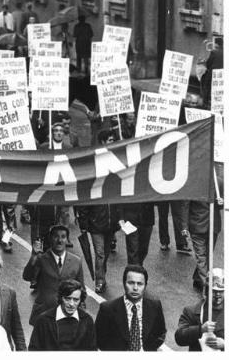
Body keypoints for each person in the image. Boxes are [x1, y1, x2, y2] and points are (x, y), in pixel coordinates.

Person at [76, 130, 121, 293]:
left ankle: (102, 274)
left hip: (110, 223)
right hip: (96, 223)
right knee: (100, 254)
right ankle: (100, 280)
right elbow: (86, 197)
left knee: (106, 254)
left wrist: (119, 217)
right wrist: (84, 221)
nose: (112, 142)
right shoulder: (93, 166)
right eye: (110, 140)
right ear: (102, 142)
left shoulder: (117, 163)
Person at [23, 225, 84, 325]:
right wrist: (33, 258)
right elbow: (27, 276)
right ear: (50, 239)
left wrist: (80, 312)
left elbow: (81, 289)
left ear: (67, 240)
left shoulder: (76, 261)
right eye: (56, 236)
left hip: (67, 314)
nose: (59, 240)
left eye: (63, 237)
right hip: (44, 313)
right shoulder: (41, 259)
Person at [95, 264, 166, 350]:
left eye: (140, 284)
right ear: (124, 283)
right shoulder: (107, 309)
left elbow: (161, 333)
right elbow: (99, 339)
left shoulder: (155, 306)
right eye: (131, 283)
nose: (135, 288)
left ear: (145, 286)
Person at [29, 279, 96, 350]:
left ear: (80, 300)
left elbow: (92, 350)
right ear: (61, 298)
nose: (71, 304)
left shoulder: (87, 320)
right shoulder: (43, 321)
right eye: (67, 299)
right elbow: (34, 350)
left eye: (76, 300)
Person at [175, 267, 224, 351]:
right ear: (207, 290)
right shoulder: (191, 311)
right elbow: (179, 338)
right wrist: (200, 329)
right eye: (214, 291)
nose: (217, 294)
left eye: (221, 291)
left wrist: (225, 344)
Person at [188, 197, 223, 291]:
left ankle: (197, 278)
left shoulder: (218, 182)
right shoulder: (193, 184)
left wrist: (222, 202)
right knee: (201, 256)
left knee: (208, 255)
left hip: (213, 226)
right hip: (197, 225)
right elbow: (184, 205)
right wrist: (183, 226)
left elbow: (222, 206)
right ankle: (207, 287)